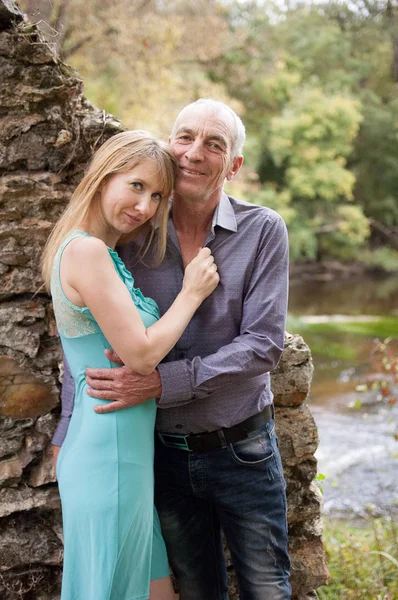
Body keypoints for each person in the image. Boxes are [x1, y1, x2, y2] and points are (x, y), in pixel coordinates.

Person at [53, 99, 291, 600]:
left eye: (214, 144)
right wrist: (66, 427)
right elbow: (90, 339)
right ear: (168, 142)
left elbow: (265, 344)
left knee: (268, 589)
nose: (194, 153)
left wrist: (165, 382)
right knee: (195, 591)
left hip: (241, 449)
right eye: (184, 137)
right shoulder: (131, 237)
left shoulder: (263, 230)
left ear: (234, 165)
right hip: (160, 454)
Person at [43, 130, 219, 600]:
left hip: (124, 458)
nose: (144, 206)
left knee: (156, 592)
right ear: (104, 177)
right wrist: (192, 293)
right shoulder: (86, 252)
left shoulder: (108, 255)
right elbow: (142, 354)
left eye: (158, 195)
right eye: (136, 186)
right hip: (109, 458)